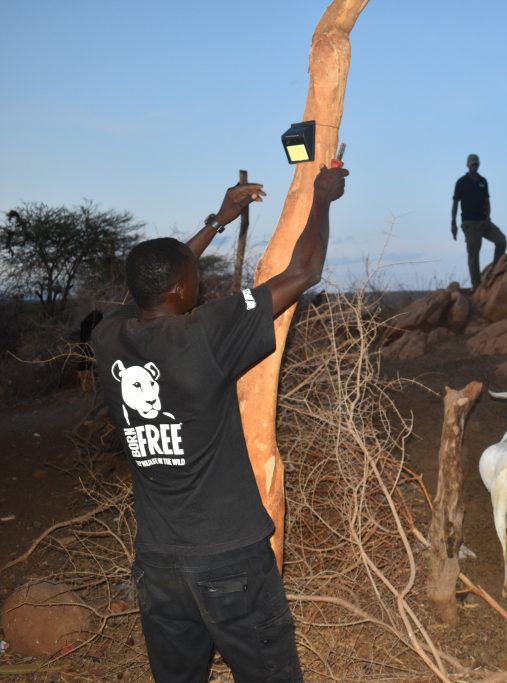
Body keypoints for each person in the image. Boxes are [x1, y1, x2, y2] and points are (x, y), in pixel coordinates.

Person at [91, 165, 349, 682]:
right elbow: (303, 272)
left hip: (159, 564)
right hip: (231, 559)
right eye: (194, 280)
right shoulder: (205, 335)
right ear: (185, 287)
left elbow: (145, 292)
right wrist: (323, 198)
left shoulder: (107, 340)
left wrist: (216, 220)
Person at [450, 153, 506, 289]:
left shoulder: (483, 181)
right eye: (472, 164)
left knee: (501, 241)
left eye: (476, 164)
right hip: (470, 223)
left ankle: (495, 273)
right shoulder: (461, 182)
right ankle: (476, 286)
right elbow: (455, 203)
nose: (474, 166)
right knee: (474, 254)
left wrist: (488, 218)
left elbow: (487, 201)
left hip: (484, 222)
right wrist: (453, 223)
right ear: (467, 165)